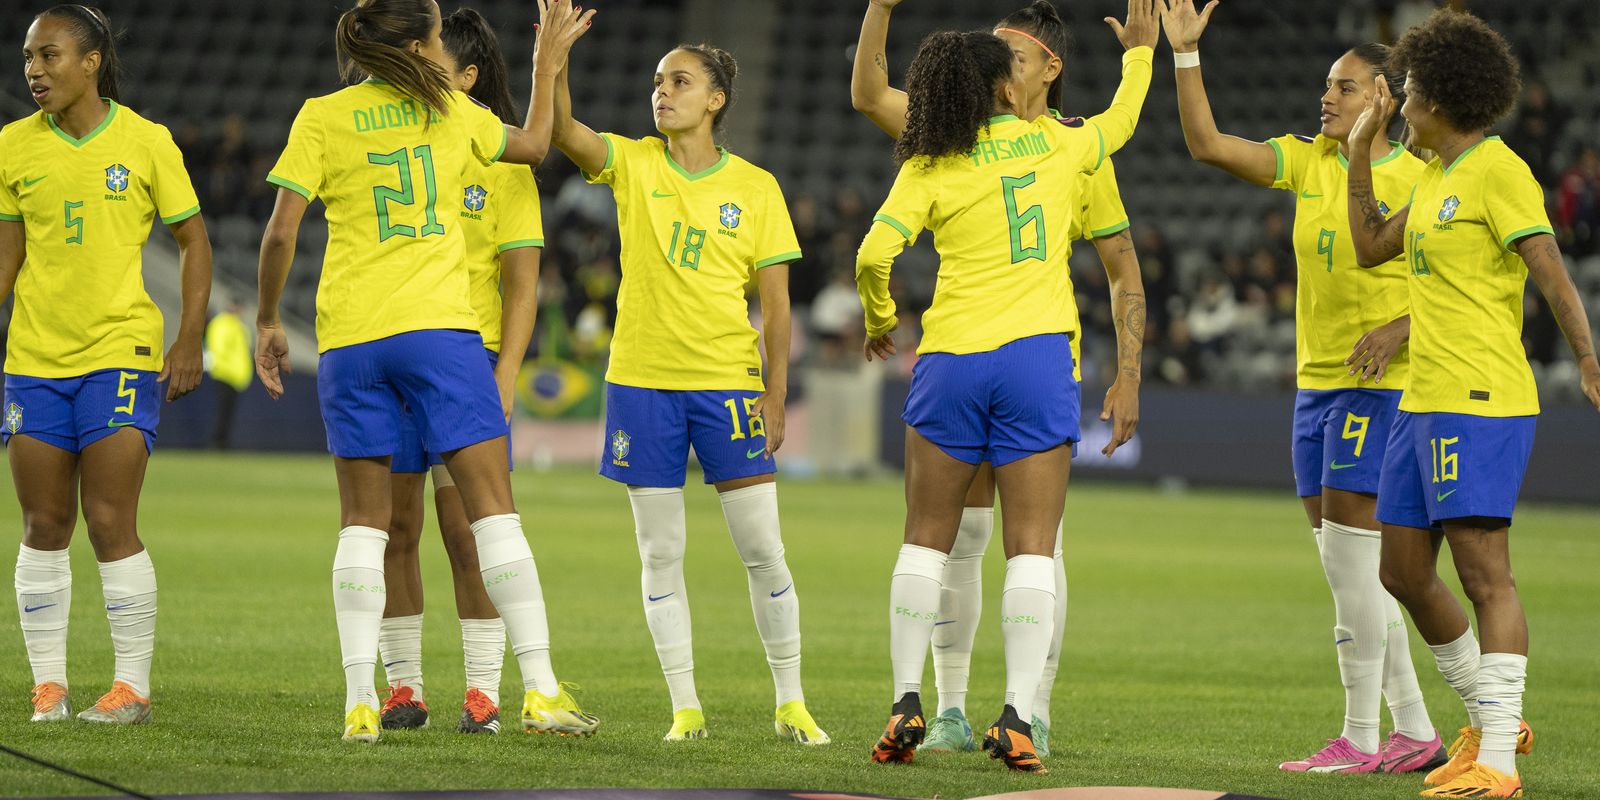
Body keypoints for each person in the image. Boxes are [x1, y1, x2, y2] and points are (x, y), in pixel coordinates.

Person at [254, 0, 596, 744]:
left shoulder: (321, 114)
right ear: (416, 46)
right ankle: (537, 686)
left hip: (352, 337)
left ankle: (359, 701)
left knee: (363, 526)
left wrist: (269, 319)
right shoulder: (449, 110)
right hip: (441, 333)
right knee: (492, 513)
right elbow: (538, 143)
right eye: (436, 37)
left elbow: (281, 230)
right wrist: (546, 62)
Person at [858, 1, 1158, 773]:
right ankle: (1016, 716)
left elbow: (872, 254)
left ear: (1048, 68)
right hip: (1036, 358)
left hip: (952, 355)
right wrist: (1146, 55)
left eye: (1011, 56)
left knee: (926, 536)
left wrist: (878, 316)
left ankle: (906, 700)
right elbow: (1123, 119)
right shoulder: (1070, 148)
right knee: (1033, 549)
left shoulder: (935, 153)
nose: (998, 67)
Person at [1162, 0, 1448, 774]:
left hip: (1382, 389)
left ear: (1385, 99)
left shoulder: (1421, 177)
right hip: (1315, 387)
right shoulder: (1311, 161)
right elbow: (1207, 144)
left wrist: (1403, 327)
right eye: (1328, 84)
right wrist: (1185, 56)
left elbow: (1466, 283)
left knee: (1359, 571)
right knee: (1345, 571)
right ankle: (1414, 730)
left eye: (1346, 88)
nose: (1327, 97)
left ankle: (1360, 739)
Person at [1344, 9, 1600, 797]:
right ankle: (1493, 720)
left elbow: (1552, 273)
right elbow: (1369, 247)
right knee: (1402, 572)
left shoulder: (1498, 171)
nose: (1402, 103)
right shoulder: (1428, 177)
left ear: (1443, 100)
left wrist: (1589, 359)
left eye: (1410, 90)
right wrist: (1359, 155)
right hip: (1421, 401)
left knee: (1488, 576)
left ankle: (1496, 761)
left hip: (1480, 398)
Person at [549, 40, 828, 745]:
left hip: (727, 386)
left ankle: (790, 701)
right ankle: (686, 708)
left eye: (680, 81)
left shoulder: (756, 187)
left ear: (716, 99)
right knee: (660, 552)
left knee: (764, 548)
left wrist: (775, 392)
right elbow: (561, 131)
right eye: (656, 81)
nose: (661, 92)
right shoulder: (634, 162)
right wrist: (550, 62)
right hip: (642, 383)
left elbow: (778, 303)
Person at [2, 4, 211, 725]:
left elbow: (194, 240)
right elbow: (6, 257)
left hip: (120, 352)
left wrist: (190, 337)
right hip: (33, 359)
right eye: (29, 57)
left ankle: (131, 688)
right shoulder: (12, 147)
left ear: (91, 61)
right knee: (42, 522)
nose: (33, 70)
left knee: (109, 517)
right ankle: (49, 687)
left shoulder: (147, 142)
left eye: (49, 55)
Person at [371, 6, 546, 737]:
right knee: (394, 526)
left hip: (465, 363)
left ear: (467, 76)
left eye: (434, 59)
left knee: (467, 530)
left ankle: (483, 692)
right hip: (391, 349)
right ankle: (403, 687)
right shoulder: (395, 143)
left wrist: (506, 372)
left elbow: (524, 285)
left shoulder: (503, 166)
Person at [204, 301, 252, 449]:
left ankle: (222, 441)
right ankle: (218, 442)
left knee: (227, 411)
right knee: (223, 411)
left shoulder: (239, 326)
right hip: (224, 373)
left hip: (235, 376)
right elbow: (219, 348)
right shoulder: (223, 324)